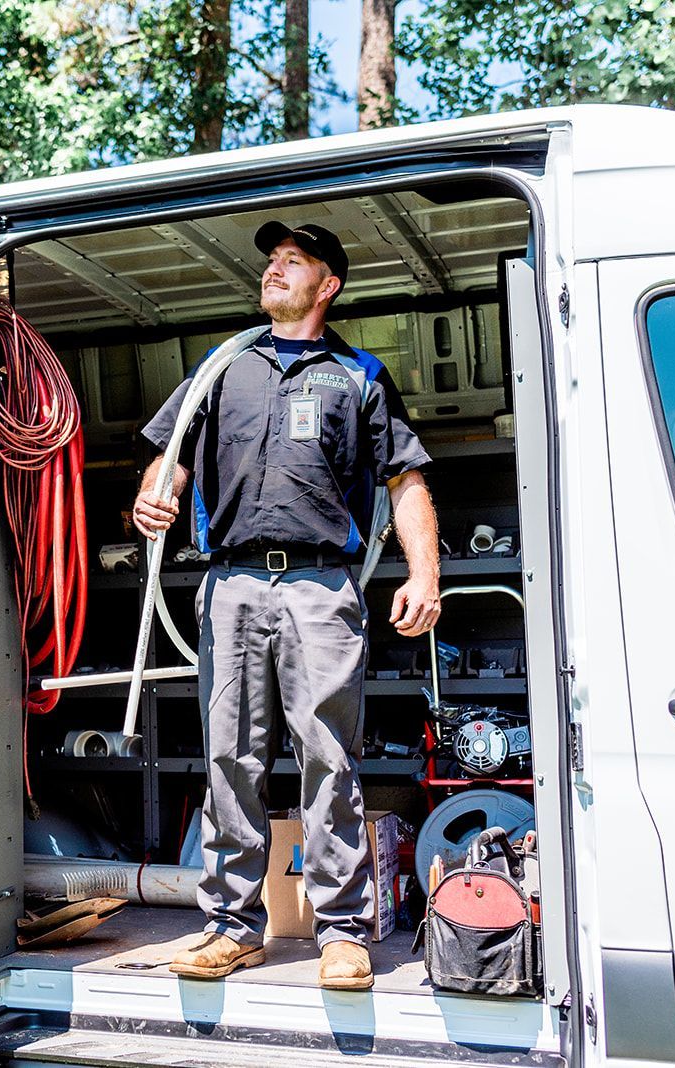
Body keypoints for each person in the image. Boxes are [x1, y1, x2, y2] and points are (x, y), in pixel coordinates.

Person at [134, 221, 440, 990]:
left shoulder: (359, 374)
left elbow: (405, 480)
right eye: (271, 261)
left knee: (327, 757)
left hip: (321, 587)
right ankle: (232, 928)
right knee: (230, 759)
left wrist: (423, 573)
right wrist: (152, 497)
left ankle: (342, 931)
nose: (274, 271)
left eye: (291, 262)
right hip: (230, 583)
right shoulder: (222, 366)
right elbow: (165, 465)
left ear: (326, 285)